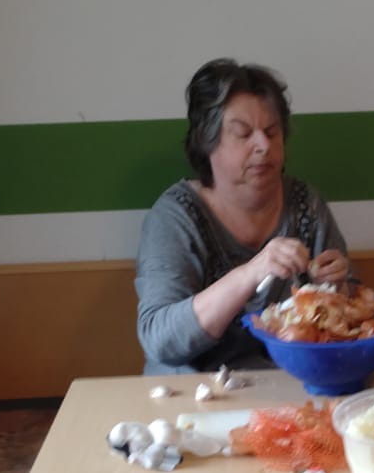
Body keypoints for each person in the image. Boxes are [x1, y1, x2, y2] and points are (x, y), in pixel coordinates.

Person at [135, 59, 352, 374]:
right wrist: (251, 273)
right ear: (207, 142)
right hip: (191, 390)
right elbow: (160, 340)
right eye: (243, 133)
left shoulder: (306, 205)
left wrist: (337, 291)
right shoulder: (175, 217)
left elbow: (350, 324)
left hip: (288, 385)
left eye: (272, 132)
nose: (263, 145)